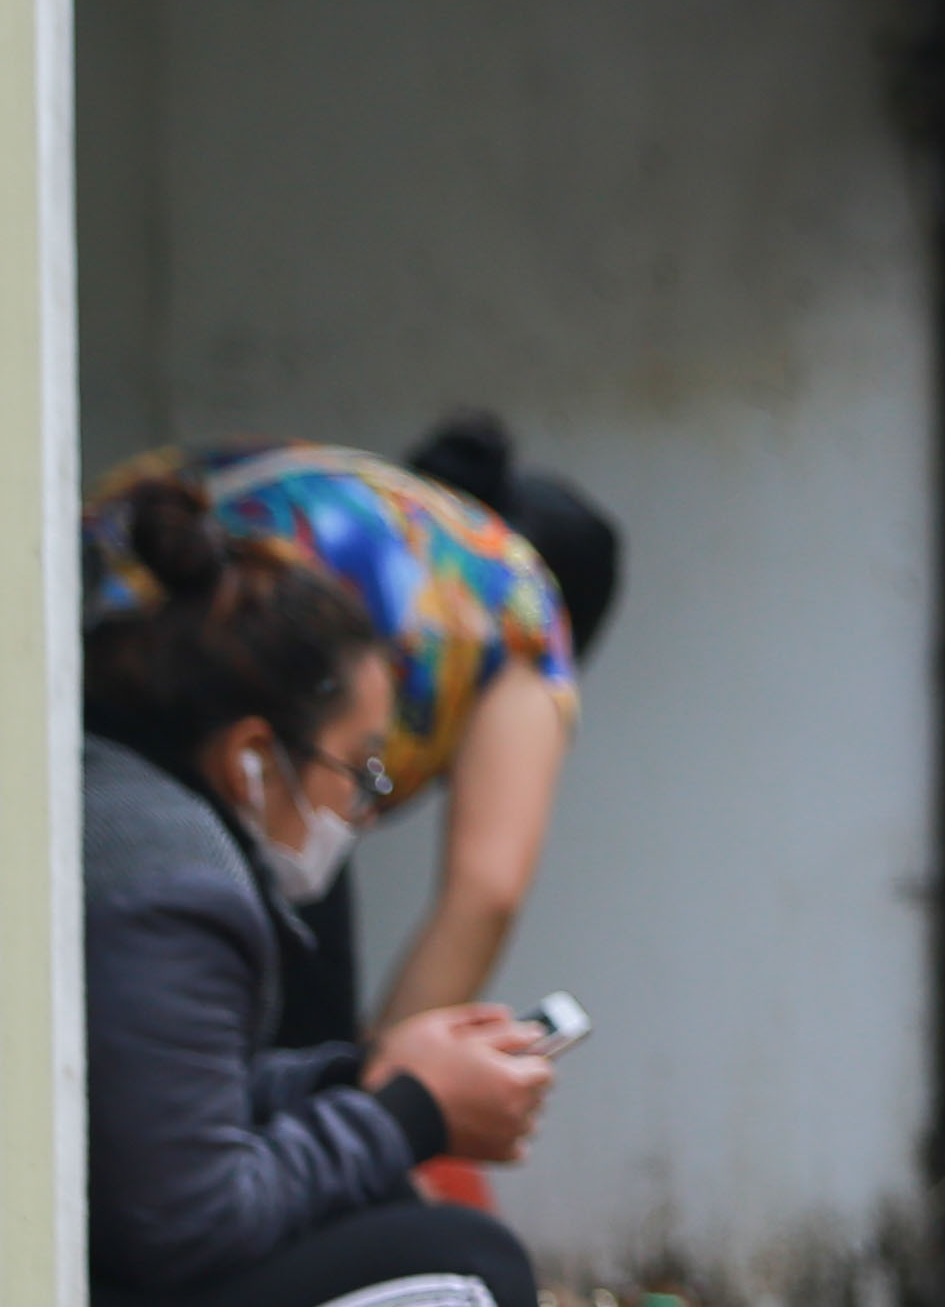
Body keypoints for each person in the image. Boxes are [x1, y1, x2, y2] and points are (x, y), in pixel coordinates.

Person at [79, 480, 561, 1307]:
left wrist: (370, 1071)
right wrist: (411, 1110)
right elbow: (182, 1215)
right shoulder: (168, 875)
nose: (360, 802)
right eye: (357, 766)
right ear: (251, 754)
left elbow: (157, 1115)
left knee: (380, 1254)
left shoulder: (113, 807)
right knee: (458, 1281)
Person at [83, 418, 617, 1050]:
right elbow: (486, 894)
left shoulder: (389, 511)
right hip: (206, 722)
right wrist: (393, 1108)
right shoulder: (523, 608)